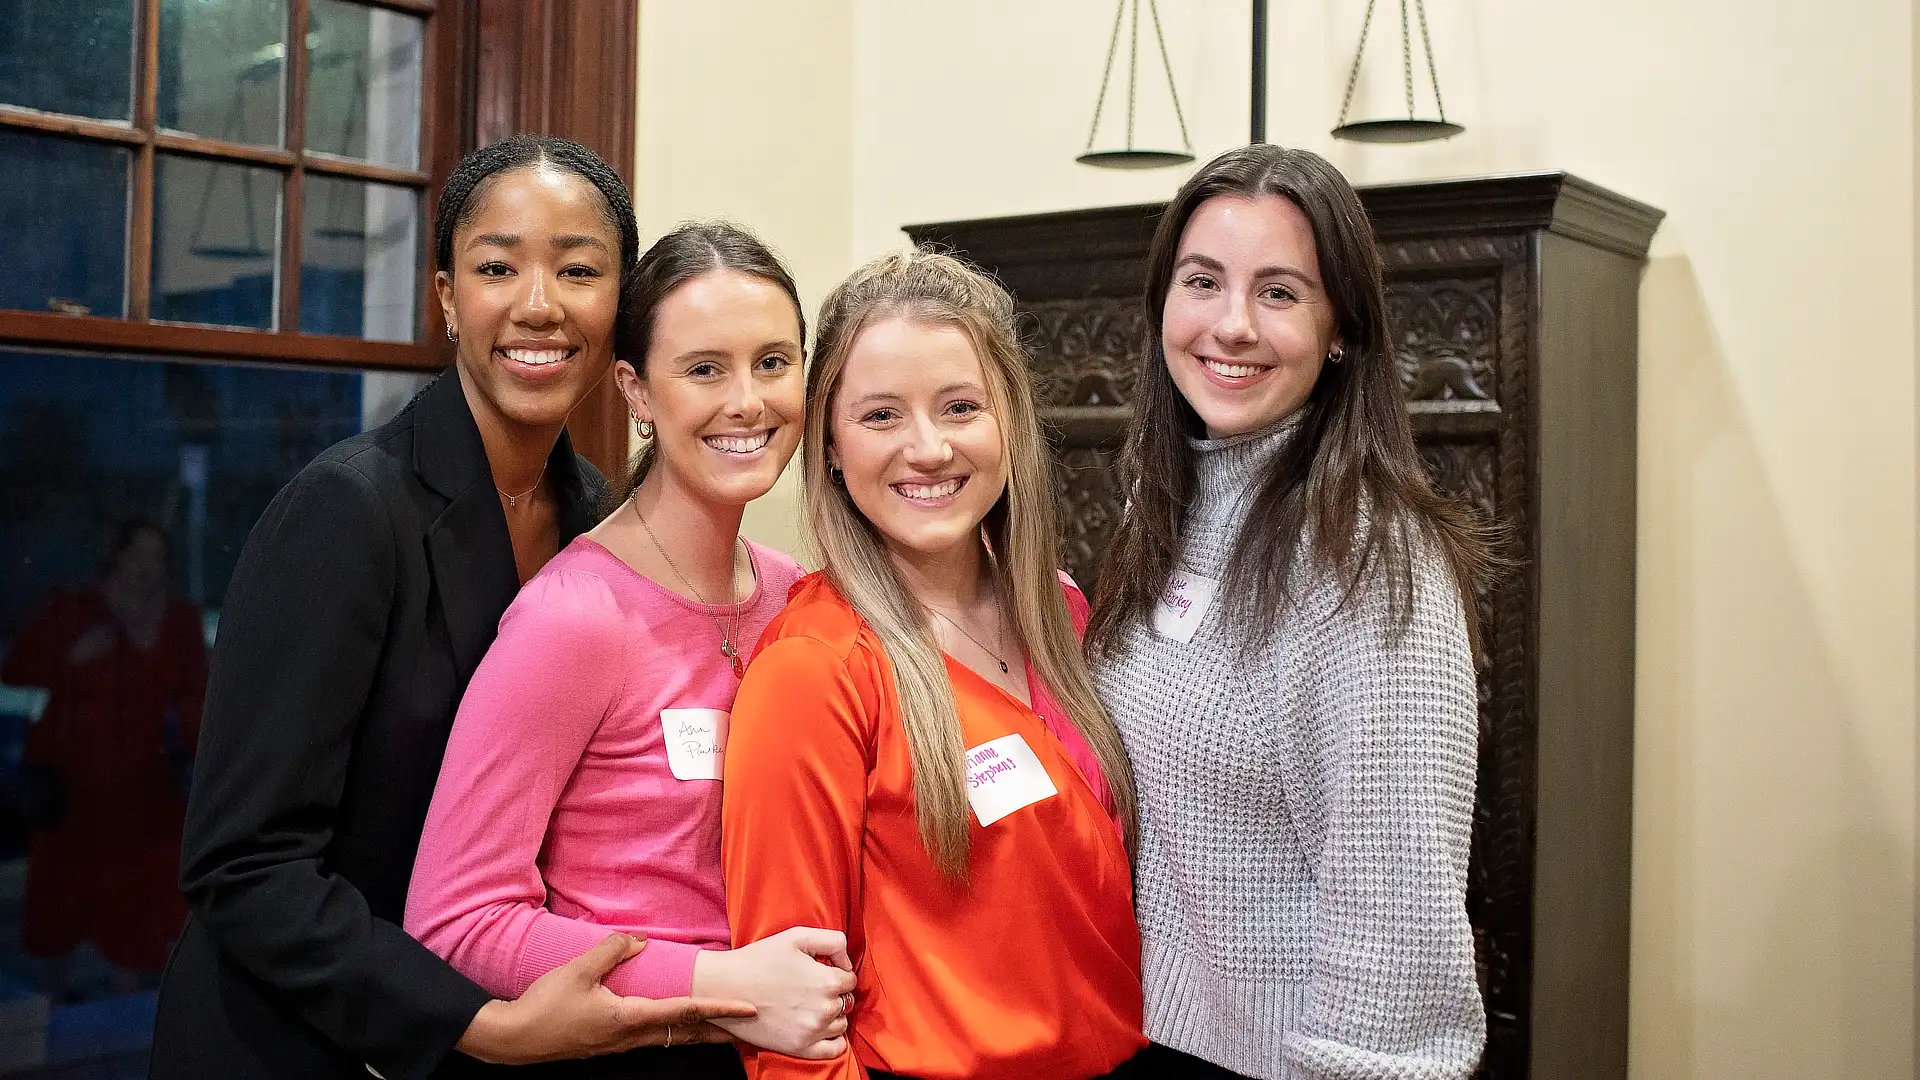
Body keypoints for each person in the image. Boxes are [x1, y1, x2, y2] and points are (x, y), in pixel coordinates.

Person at [151, 136, 755, 1080]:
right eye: (497, 267)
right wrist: (475, 1024)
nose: (539, 304)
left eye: (580, 270)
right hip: (292, 1038)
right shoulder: (349, 511)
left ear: (621, 309)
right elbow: (244, 864)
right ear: (445, 297)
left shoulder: (599, 520)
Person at [1084, 144, 1501, 1079]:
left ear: (1341, 327)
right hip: (1148, 1041)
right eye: (1204, 282)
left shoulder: (1372, 558)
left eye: (1279, 292)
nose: (1231, 325)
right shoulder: (1171, 507)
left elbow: (1395, 912)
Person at [405, 222, 857, 1079]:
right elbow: (456, 919)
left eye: (773, 362)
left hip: (791, 1050)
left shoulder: (801, 598)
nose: (747, 401)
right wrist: (717, 983)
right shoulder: (575, 619)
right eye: (702, 369)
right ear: (636, 391)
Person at [721, 250, 1146, 1080]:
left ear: (1009, 425)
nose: (929, 449)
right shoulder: (814, 669)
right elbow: (788, 1033)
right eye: (881, 416)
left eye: (960, 407)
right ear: (833, 446)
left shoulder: (1060, 614)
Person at [0, 519, 205, 999]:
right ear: (115, 557)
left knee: (136, 917)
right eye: (136, 553)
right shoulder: (72, 610)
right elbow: (16, 670)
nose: (145, 567)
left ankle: (128, 1030)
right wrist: (72, 656)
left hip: (143, 791)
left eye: (156, 556)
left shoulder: (178, 621)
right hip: (73, 790)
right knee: (60, 907)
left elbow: (197, 693)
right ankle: (49, 1021)